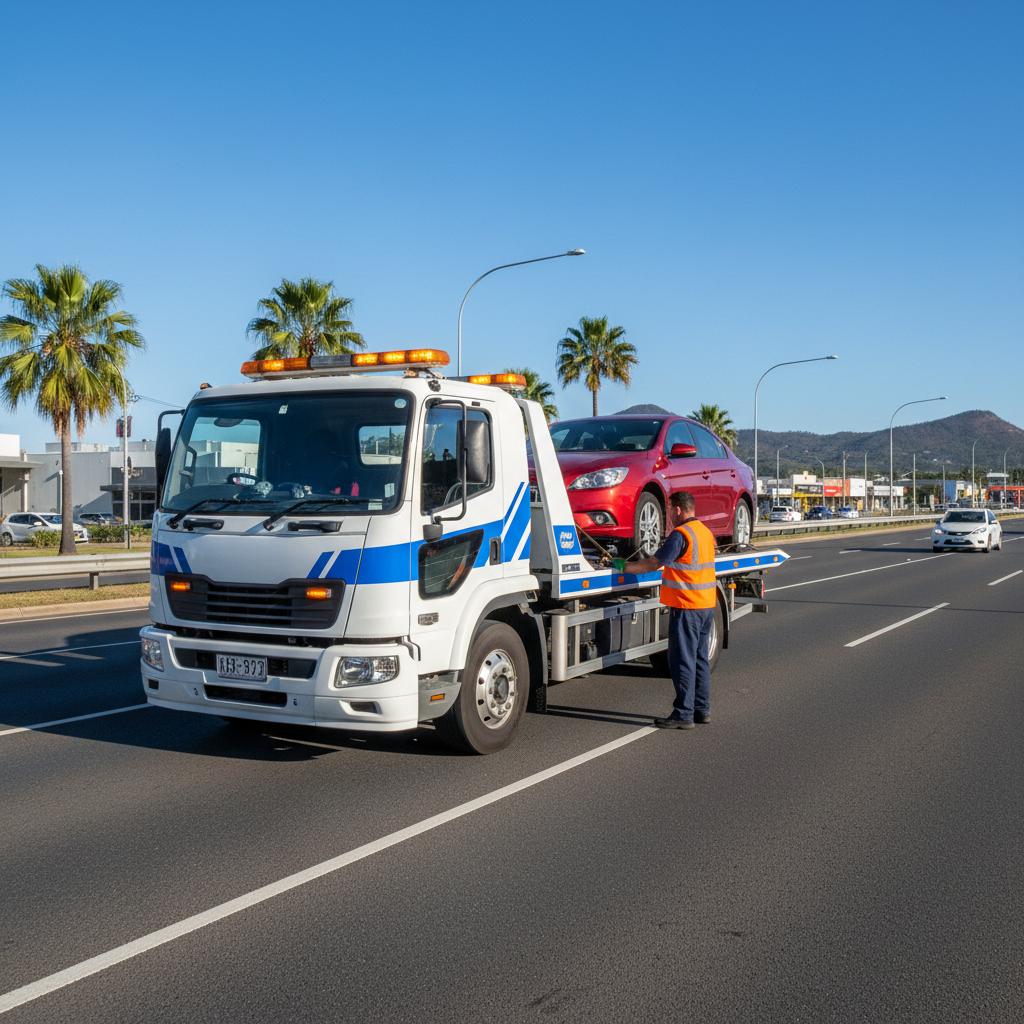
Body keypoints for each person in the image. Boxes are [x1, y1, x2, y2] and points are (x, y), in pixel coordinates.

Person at [629, 490, 717, 729]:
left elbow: (654, 563)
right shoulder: (705, 532)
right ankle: (701, 710)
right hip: (706, 605)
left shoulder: (680, 535)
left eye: (669, 510)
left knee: (682, 661)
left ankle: (683, 714)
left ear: (678, 509)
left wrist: (625, 567)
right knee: (699, 660)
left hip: (686, 606)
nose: (669, 514)